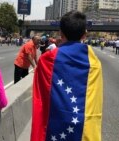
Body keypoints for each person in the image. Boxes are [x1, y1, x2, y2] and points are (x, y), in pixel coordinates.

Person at [31, 10, 103, 141]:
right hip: (84, 128)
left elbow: (40, 98)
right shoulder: (94, 61)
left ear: (60, 33)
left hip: (54, 127)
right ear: (84, 35)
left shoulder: (47, 59)